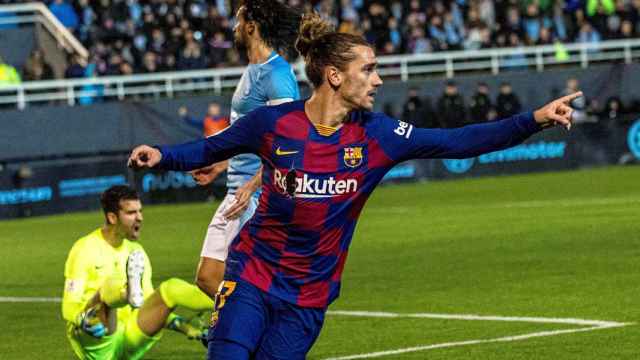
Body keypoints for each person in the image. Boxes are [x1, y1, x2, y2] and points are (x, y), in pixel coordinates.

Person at [128, 13, 582, 359]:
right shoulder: (274, 123)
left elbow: (458, 140)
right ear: (334, 76)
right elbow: (210, 149)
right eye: (369, 69)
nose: (379, 79)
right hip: (252, 275)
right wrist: (162, 157)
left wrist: (534, 120)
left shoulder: (378, 135)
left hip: (308, 297)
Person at [187, 0, 302, 303]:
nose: (234, 28)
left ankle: (250, 330)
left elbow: (289, 147)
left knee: (210, 276)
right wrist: (222, 164)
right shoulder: (252, 71)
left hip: (254, 197)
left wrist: (251, 186)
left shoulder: (278, 76)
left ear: (252, 26)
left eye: (238, 22)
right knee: (224, 278)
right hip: (242, 190)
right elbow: (249, 137)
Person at [62, 185, 213, 360]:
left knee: (169, 289)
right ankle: (123, 292)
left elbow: (147, 304)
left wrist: (184, 326)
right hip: (97, 334)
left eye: (140, 211)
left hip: (130, 337)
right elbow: (68, 306)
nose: (140, 217)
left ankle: (227, 298)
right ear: (112, 217)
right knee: (109, 287)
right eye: (131, 213)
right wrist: (81, 320)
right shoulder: (85, 248)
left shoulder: (136, 252)